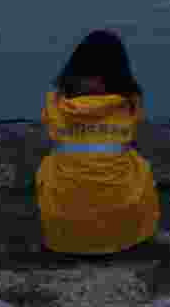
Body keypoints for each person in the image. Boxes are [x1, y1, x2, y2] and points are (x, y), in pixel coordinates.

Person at [36, 29, 160, 255]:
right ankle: (126, 231)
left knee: (48, 166)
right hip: (119, 219)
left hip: (66, 228)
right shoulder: (130, 102)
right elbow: (131, 133)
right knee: (140, 166)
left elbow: (52, 131)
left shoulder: (55, 102)